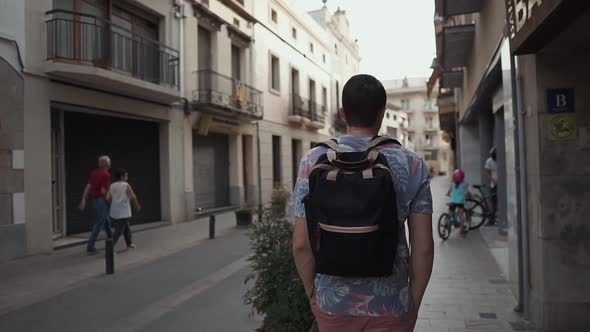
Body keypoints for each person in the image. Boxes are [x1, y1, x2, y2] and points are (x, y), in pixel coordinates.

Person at [292, 74, 434, 332]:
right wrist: (412, 302)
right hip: (392, 305)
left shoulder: (313, 160)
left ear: (342, 112)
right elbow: (423, 248)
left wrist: (314, 296)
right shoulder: (412, 164)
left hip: (332, 305)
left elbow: (301, 244)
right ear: (381, 113)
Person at [79, 156, 113, 255]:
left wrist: (84, 199)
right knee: (99, 223)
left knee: (105, 221)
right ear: (107, 164)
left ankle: (111, 240)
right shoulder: (106, 174)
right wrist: (111, 200)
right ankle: (90, 246)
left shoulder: (94, 173)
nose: (110, 164)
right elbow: (104, 191)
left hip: (96, 200)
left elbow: (88, 186)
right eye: (110, 162)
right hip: (102, 200)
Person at [106, 168, 140, 249]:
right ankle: (110, 248)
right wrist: (137, 205)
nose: (127, 177)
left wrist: (114, 203)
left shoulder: (112, 185)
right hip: (124, 212)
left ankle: (129, 243)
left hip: (115, 212)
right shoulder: (126, 185)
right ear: (121, 177)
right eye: (126, 175)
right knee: (119, 231)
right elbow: (132, 197)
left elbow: (107, 198)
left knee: (126, 227)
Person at [447, 169, 472, 235]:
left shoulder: (452, 183)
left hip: (453, 201)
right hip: (460, 202)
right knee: (461, 216)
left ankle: (446, 223)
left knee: (449, 213)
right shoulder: (464, 184)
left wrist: (448, 194)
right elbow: (467, 192)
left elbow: (449, 191)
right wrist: (470, 195)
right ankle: (461, 230)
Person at [484, 147, 498, 225]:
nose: (495, 158)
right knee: (493, 201)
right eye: (493, 156)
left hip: (502, 184)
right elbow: (486, 171)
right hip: (494, 184)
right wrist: (491, 178)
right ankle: (492, 219)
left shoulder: (502, 159)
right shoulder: (489, 161)